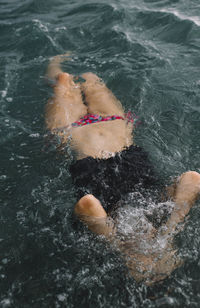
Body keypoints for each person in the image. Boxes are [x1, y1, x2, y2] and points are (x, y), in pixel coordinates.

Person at [45, 54, 200, 285]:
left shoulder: (108, 226)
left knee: (62, 78)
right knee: (90, 77)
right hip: (114, 123)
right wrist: (169, 235)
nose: (145, 243)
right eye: (151, 249)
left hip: (71, 129)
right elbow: (193, 179)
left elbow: (87, 203)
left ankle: (53, 59)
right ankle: (70, 52)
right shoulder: (159, 211)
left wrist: (123, 251)